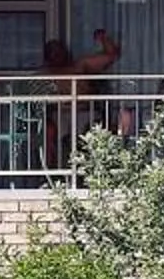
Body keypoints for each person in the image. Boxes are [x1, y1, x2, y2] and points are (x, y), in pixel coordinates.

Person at [32, 26, 124, 171]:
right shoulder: (44, 74)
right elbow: (28, 93)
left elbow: (111, 56)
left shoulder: (80, 66)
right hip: (59, 115)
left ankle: (95, 171)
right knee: (48, 133)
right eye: (52, 52)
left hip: (85, 112)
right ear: (46, 56)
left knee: (92, 133)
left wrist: (103, 38)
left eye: (59, 51)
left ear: (66, 52)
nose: (56, 55)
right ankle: (50, 173)